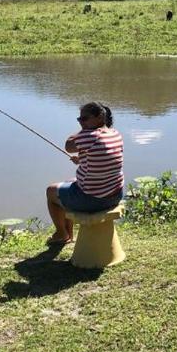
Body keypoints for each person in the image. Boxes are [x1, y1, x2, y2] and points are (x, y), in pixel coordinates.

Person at [45, 101, 124, 245]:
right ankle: (68, 234)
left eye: (84, 118)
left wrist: (82, 131)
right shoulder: (115, 133)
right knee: (69, 181)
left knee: (51, 191)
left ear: (100, 117)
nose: (80, 122)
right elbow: (102, 158)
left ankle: (61, 233)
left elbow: (68, 145)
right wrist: (82, 159)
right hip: (115, 194)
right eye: (79, 119)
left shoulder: (88, 136)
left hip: (92, 200)